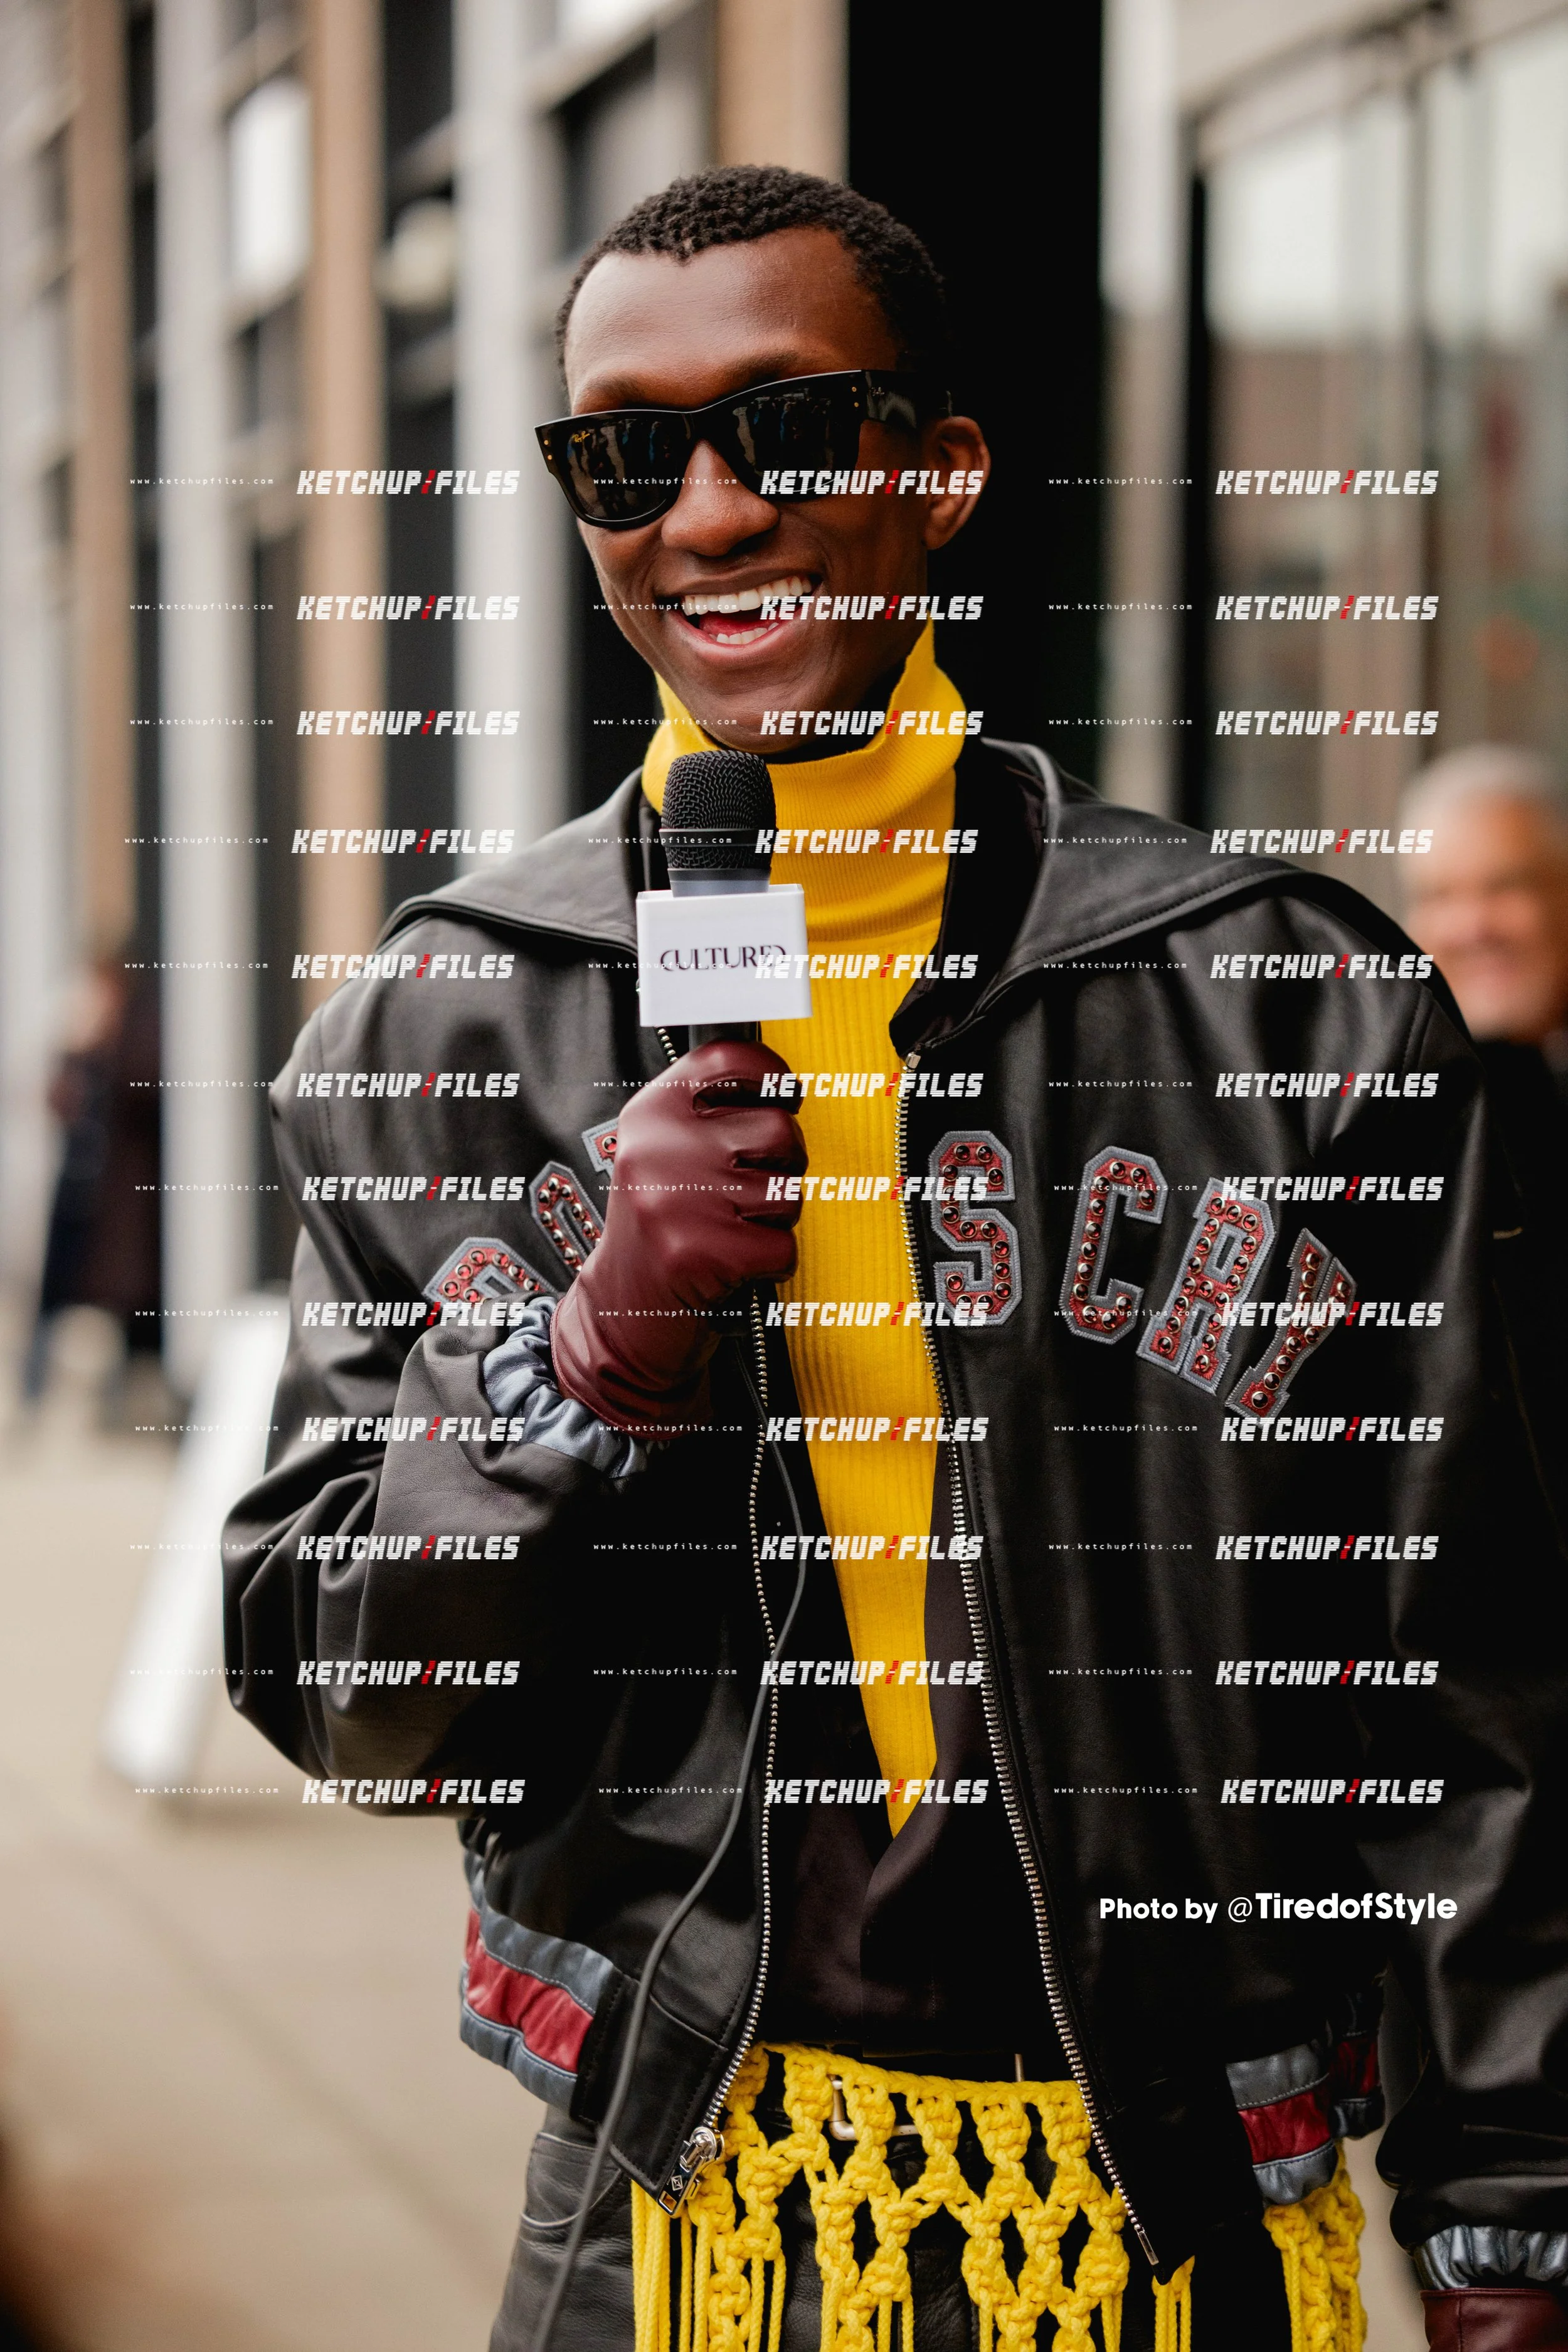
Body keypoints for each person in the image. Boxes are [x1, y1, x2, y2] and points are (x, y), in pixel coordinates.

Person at [223, 167, 1568, 2351]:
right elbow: (354, 1699)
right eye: (629, 451)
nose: (714, 511)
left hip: (1186, 2206)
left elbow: (1463, 1665)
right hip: (682, 2218)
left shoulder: (1291, 1005)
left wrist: (1513, 2198)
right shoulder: (446, 1032)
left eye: (797, 428)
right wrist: (588, 1362)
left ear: (941, 472)